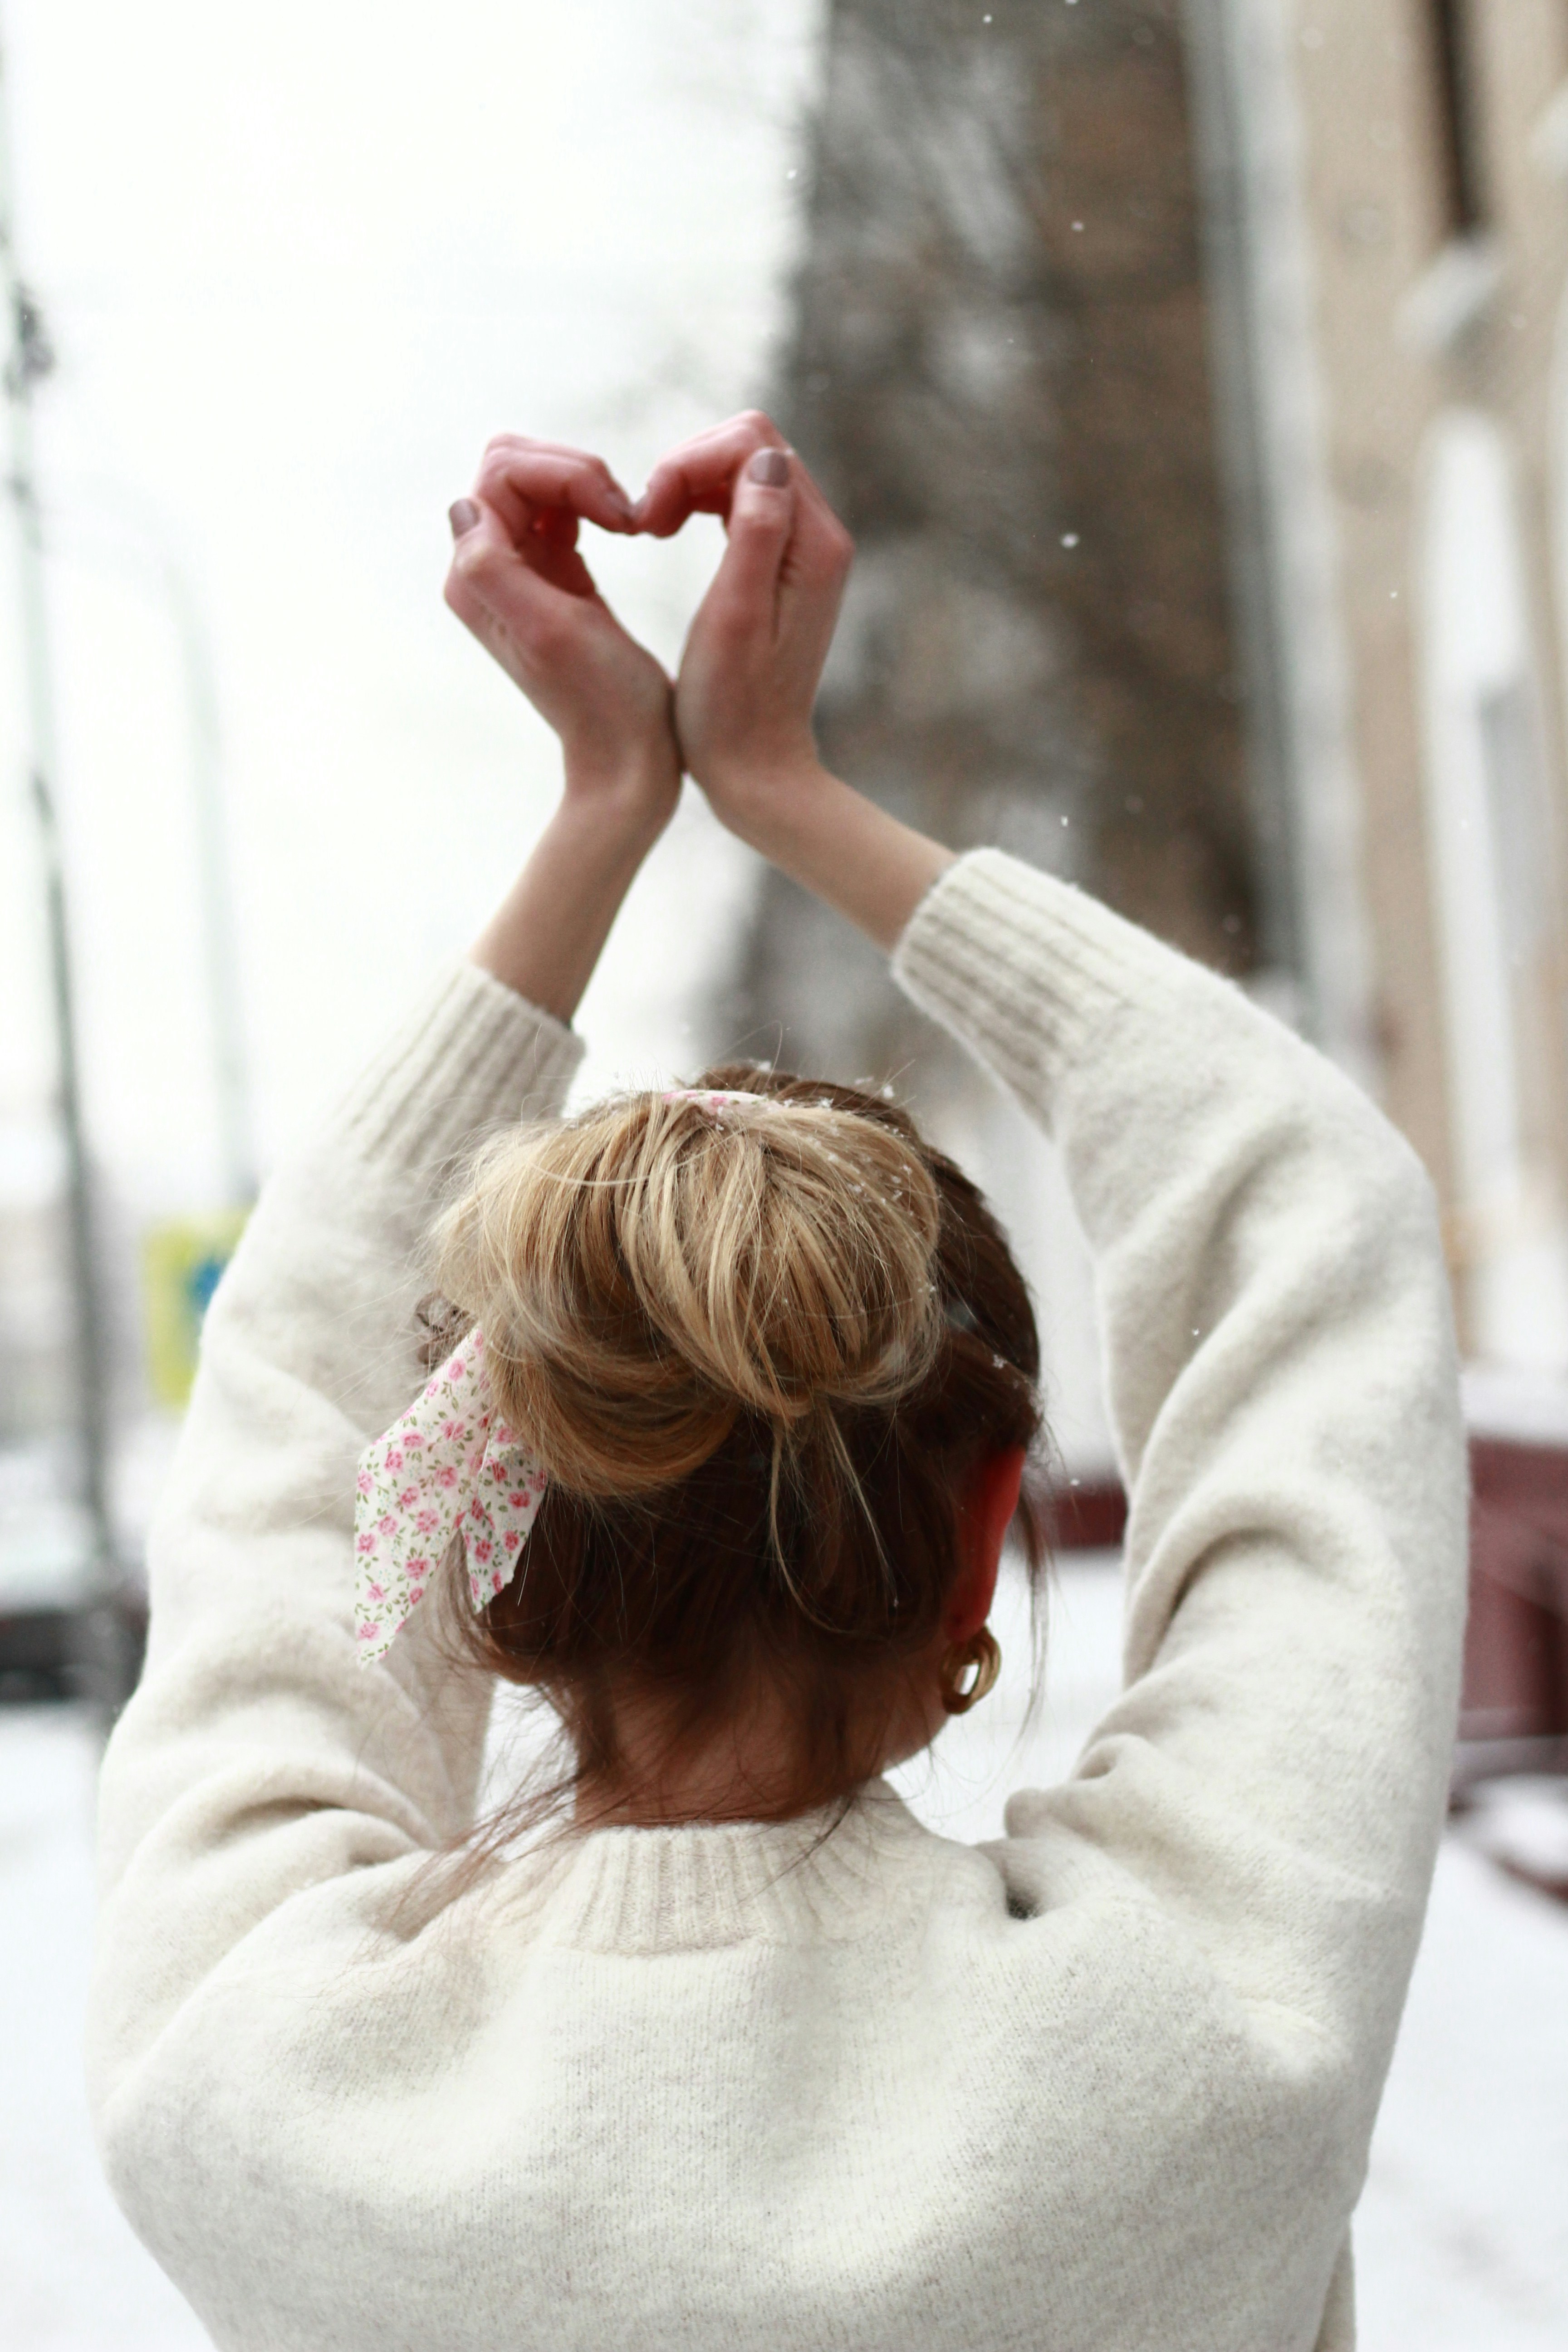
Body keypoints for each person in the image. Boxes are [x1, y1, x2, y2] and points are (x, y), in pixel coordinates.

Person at [86, 413, 1466, 2352]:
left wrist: (599, 811)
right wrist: (785, 787)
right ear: (985, 1525)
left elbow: (297, 1410)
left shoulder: (250, 2089)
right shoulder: (1204, 2045)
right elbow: (1307, 1207)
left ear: (489, 1540)